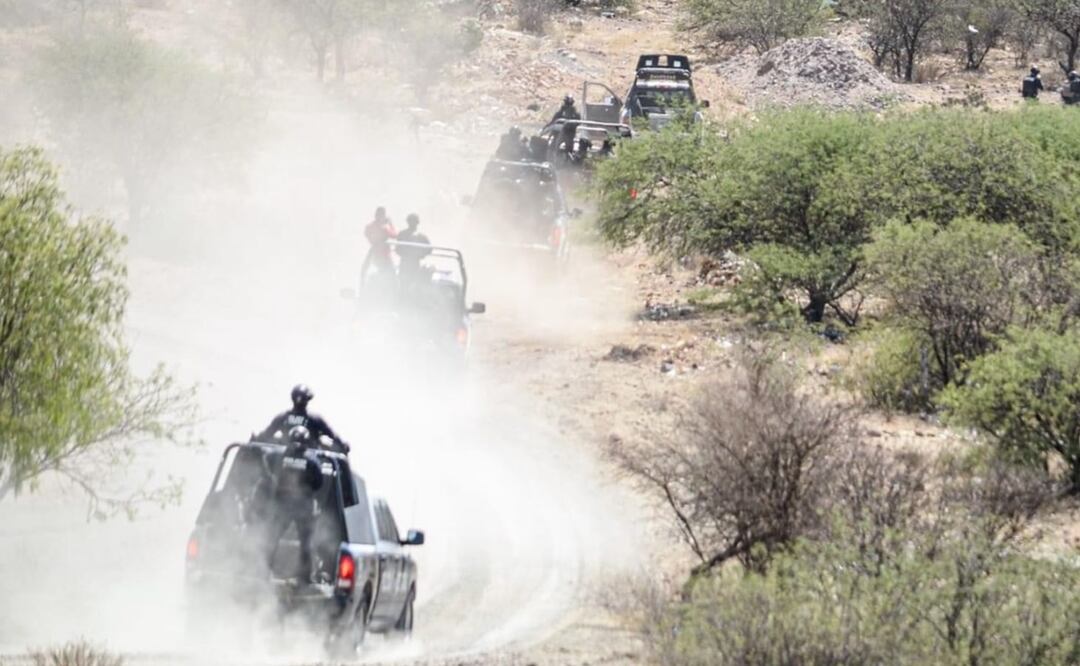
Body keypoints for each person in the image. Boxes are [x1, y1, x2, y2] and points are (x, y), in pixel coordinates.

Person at [266, 425, 324, 584]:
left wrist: (278, 479)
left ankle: (263, 570)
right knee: (306, 542)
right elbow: (319, 482)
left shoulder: (279, 456)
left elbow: (267, 460)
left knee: (273, 537)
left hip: (283, 503)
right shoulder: (311, 460)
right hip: (303, 506)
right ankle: (304, 577)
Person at [259, 384, 350, 454]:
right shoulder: (315, 419)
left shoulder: (283, 417)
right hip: (311, 457)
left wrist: (257, 438)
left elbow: (267, 434)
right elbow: (332, 435)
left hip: (284, 457)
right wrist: (343, 445)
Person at [396, 213, 432, 285]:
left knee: (411, 283)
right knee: (405, 283)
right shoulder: (402, 234)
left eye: (414, 221)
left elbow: (429, 249)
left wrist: (420, 255)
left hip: (413, 263)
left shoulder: (421, 236)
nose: (412, 223)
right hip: (405, 263)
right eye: (411, 221)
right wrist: (407, 254)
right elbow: (398, 249)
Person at [361, 206, 397, 278]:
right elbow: (394, 235)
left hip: (374, 252)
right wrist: (390, 224)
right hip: (384, 254)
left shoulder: (369, 226)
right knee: (392, 272)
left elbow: (366, 234)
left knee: (365, 268)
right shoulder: (384, 228)